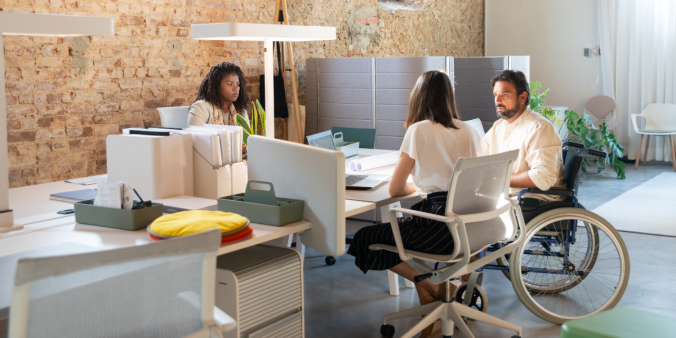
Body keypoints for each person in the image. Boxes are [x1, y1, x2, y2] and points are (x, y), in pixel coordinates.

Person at [347, 70, 481, 338]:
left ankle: (435, 288)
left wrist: (420, 186)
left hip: (439, 229)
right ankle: (429, 301)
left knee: (365, 238)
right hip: (470, 227)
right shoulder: (470, 130)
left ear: (418, 98)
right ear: (448, 97)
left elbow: (396, 188)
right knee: (411, 230)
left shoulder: (418, 130)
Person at [482, 70, 565, 200]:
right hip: (506, 196)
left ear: (522, 97)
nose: (497, 101)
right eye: (495, 95)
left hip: (533, 200)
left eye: (504, 94)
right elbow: (478, 158)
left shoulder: (539, 128)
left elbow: (543, 176)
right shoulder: (498, 127)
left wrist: (499, 178)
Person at [188, 61, 251, 127]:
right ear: (217, 85)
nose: (236, 88)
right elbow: (194, 137)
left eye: (238, 85)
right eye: (230, 84)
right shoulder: (201, 108)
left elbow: (247, 137)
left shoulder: (241, 111)